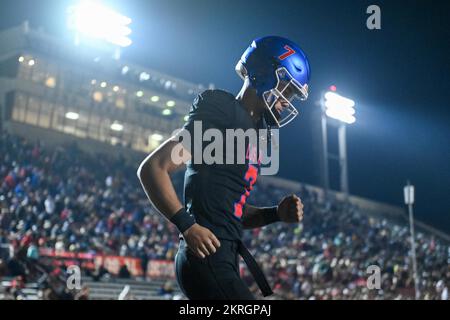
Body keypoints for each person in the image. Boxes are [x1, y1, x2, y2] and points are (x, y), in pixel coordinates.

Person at [137, 36, 310, 299]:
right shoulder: (223, 111)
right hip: (207, 258)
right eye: (287, 89)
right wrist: (188, 225)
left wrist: (275, 213)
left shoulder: (254, 134)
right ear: (263, 74)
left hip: (223, 258)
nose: (288, 101)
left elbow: (230, 212)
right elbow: (154, 168)